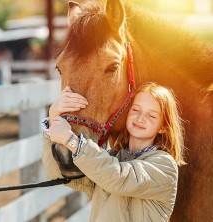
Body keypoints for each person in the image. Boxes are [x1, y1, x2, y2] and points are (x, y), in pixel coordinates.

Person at [41, 82, 187, 222]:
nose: (140, 118)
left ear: (163, 126)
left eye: (151, 115)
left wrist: (71, 140)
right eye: (136, 110)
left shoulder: (164, 166)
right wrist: (54, 118)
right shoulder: (111, 159)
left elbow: (118, 177)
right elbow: (61, 173)